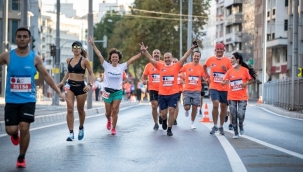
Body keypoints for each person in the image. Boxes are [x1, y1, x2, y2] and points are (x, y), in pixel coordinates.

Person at [0, 27, 66, 168]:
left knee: (24, 127)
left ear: (29, 40)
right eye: (19, 36)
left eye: (25, 36)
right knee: (11, 130)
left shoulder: (34, 58)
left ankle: (21, 157)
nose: (22, 39)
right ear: (15, 39)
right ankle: (14, 134)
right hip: (12, 100)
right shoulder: (7, 56)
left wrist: (58, 92)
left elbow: (47, 76)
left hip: (28, 99)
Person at [140, 42, 197, 136]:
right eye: (165, 58)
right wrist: (145, 51)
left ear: (171, 58)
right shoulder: (160, 65)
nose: (166, 59)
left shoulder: (176, 66)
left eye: (168, 58)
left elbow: (185, 56)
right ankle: (164, 120)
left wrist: (191, 48)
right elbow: (150, 59)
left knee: (171, 110)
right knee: (163, 114)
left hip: (173, 93)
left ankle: (169, 129)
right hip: (162, 94)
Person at [89, 36, 142, 135]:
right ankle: (108, 120)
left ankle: (113, 128)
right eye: (113, 57)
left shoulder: (122, 67)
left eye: (116, 57)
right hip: (107, 92)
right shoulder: (106, 65)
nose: (114, 58)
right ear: (110, 58)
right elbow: (99, 55)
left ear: (118, 59)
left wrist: (141, 53)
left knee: (115, 110)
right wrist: (93, 44)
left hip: (117, 91)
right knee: (108, 113)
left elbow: (132, 59)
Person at [58, 41, 94, 141]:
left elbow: (92, 74)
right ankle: (71, 133)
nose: (76, 48)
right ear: (72, 49)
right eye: (74, 47)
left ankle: (81, 127)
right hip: (70, 86)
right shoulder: (68, 60)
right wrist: (62, 82)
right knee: (69, 109)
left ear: (81, 49)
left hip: (81, 87)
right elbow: (68, 73)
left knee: (80, 110)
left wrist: (89, 85)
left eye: (78, 47)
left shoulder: (85, 61)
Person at [221, 52, 256, 138]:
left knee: (241, 114)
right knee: (233, 114)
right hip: (231, 96)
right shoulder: (229, 72)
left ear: (238, 60)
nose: (231, 60)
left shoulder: (245, 70)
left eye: (232, 58)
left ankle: (240, 125)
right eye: (230, 58)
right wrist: (224, 82)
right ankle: (235, 132)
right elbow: (223, 82)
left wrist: (245, 84)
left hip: (242, 97)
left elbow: (251, 80)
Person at [203, 43, 232, 135]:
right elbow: (204, 66)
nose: (219, 50)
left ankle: (221, 126)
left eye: (221, 49)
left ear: (224, 50)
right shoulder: (210, 59)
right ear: (215, 50)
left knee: (223, 107)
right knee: (215, 105)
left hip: (224, 88)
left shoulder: (228, 61)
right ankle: (215, 125)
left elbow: (232, 74)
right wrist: (207, 76)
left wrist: (226, 70)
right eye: (217, 49)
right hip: (213, 86)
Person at [180, 51, 205, 129]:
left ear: (200, 57)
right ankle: (186, 110)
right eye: (195, 56)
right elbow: (179, 70)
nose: (196, 57)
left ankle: (192, 123)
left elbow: (205, 77)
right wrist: (179, 75)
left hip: (197, 90)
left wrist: (206, 80)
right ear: (192, 56)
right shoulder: (187, 66)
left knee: (195, 107)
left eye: (198, 56)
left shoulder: (201, 67)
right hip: (187, 89)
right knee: (187, 107)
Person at [141, 49, 162, 130]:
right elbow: (143, 77)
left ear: (160, 55)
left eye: (158, 53)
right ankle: (156, 123)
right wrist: (144, 81)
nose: (156, 54)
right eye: (154, 53)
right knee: (154, 106)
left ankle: (161, 116)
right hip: (152, 88)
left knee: (162, 108)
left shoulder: (163, 64)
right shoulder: (148, 66)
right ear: (152, 55)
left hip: (163, 89)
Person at [173, 58, 183, 126]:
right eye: (173, 62)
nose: (174, 63)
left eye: (175, 62)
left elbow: (185, 79)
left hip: (178, 90)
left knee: (176, 105)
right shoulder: (169, 70)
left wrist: (181, 77)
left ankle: (174, 120)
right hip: (169, 90)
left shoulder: (181, 70)